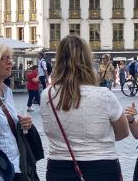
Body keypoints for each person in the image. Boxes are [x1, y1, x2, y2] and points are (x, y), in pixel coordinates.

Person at [41, 35, 129, 181]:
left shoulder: (47, 95)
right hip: (102, 167)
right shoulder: (104, 95)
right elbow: (123, 133)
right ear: (88, 61)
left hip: (59, 168)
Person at [0, 43, 42, 181]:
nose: (10, 61)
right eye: (4, 58)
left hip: (19, 166)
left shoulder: (7, 92)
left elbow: (9, 127)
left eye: (10, 58)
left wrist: (25, 125)